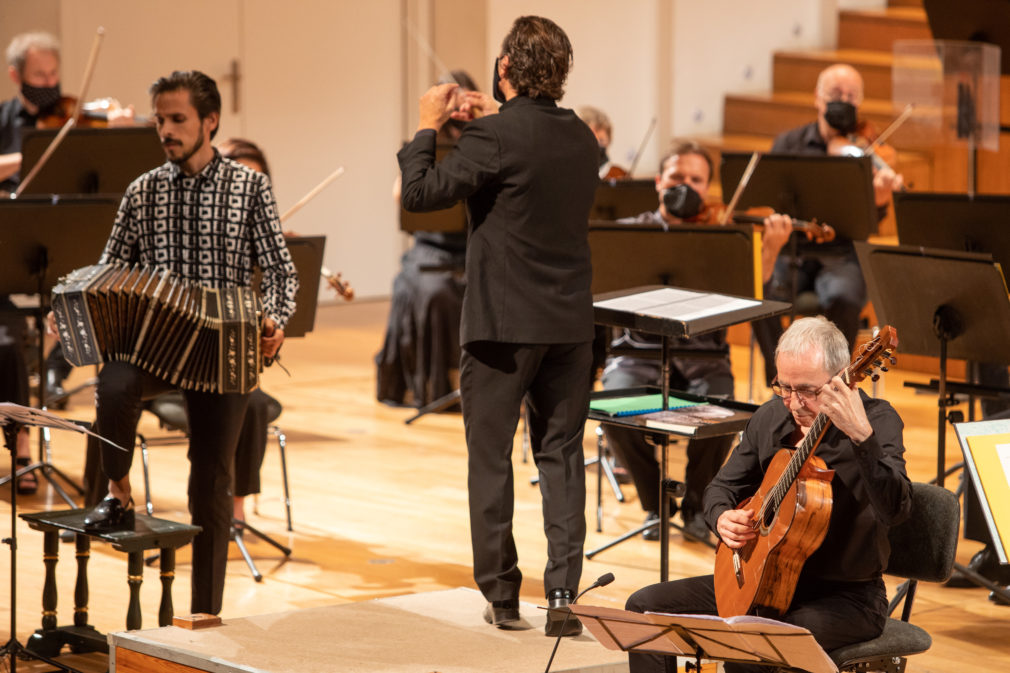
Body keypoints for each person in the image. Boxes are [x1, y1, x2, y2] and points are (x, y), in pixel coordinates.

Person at [65, 70, 298, 616]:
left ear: (209, 122)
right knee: (115, 382)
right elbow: (109, 269)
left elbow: (282, 274)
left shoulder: (250, 187)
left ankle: (205, 614)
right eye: (159, 120)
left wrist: (277, 319)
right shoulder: (143, 190)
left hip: (224, 352)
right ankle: (118, 491)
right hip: (155, 347)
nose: (165, 131)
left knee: (210, 482)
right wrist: (79, 303)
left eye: (177, 120)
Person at [398, 15, 599, 637]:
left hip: (501, 328)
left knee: (490, 459)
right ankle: (564, 597)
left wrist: (429, 125)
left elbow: (420, 194)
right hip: (569, 324)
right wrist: (496, 117)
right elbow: (527, 147)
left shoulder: (492, 137)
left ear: (505, 68)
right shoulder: (584, 138)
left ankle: (504, 597)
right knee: (561, 458)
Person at [624, 316, 912, 673]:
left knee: (751, 647)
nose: (793, 402)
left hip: (847, 597)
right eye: (784, 387)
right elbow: (721, 488)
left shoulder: (877, 421)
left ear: (841, 378)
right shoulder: (771, 417)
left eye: (807, 390)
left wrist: (860, 437)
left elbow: (896, 511)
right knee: (645, 610)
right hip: (762, 583)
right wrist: (721, 518)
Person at [601, 141, 791, 542]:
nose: (684, 185)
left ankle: (696, 507)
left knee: (722, 407)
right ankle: (657, 503)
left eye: (695, 179)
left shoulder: (724, 239)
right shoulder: (631, 233)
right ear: (658, 182)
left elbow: (753, 301)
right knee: (611, 404)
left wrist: (769, 252)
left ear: (707, 190)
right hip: (638, 354)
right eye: (676, 177)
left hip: (706, 357)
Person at [752, 63, 905, 385]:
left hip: (842, 252)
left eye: (851, 96)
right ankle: (779, 381)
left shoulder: (864, 151)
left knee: (844, 298)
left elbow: (871, 223)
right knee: (757, 295)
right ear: (817, 99)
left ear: (860, 103)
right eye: (836, 94)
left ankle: (834, 385)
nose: (843, 100)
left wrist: (877, 201)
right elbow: (768, 199)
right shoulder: (788, 143)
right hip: (791, 249)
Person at [376, 70, 486, 408]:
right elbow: (401, 195)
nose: (460, 109)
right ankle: (434, 387)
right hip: (431, 250)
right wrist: (432, 129)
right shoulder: (429, 137)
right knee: (436, 293)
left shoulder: (485, 137)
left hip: (473, 246)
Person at [577, 105, 627, 179]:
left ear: (609, 141)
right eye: (592, 139)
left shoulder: (619, 176)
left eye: (601, 140)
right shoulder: (574, 175)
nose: (596, 145)